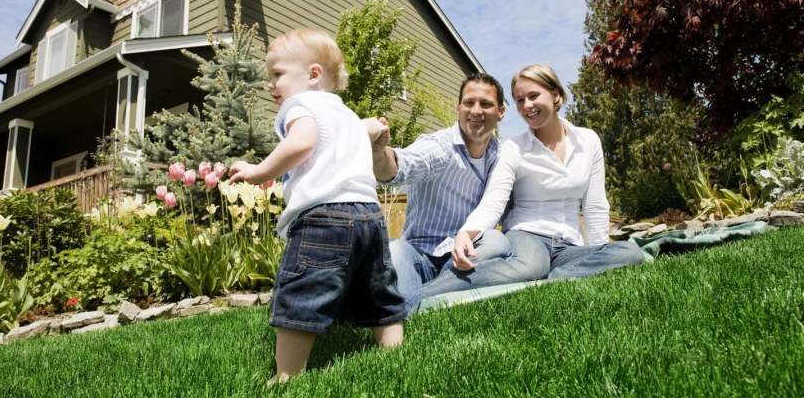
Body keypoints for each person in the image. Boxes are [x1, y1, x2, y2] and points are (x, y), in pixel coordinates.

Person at [228, 28, 406, 384]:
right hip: (369, 215)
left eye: (277, 74)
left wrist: (258, 170)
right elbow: (366, 130)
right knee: (377, 290)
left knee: (303, 291)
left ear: (312, 75)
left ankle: (287, 377)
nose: (271, 84)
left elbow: (303, 142)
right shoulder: (345, 113)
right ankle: (395, 356)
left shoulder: (300, 105)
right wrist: (375, 129)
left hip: (325, 217)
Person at [421, 64, 645, 298]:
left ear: (556, 95)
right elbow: (494, 201)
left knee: (629, 252)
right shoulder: (514, 148)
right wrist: (466, 233)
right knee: (532, 266)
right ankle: (420, 296)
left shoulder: (588, 141)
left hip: (569, 244)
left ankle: (548, 281)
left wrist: (599, 252)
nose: (527, 105)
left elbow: (595, 205)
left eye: (533, 96)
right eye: (519, 100)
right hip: (527, 236)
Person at [366, 72, 524, 313]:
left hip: (465, 255)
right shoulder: (439, 146)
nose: (476, 110)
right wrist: (379, 152)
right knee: (395, 250)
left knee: (496, 242)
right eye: (469, 103)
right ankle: (416, 305)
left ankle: (417, 300)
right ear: (458, 107)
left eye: (486, 104)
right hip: (419, 254)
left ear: (501, 112)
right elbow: (401, 165)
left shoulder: (500, 156)